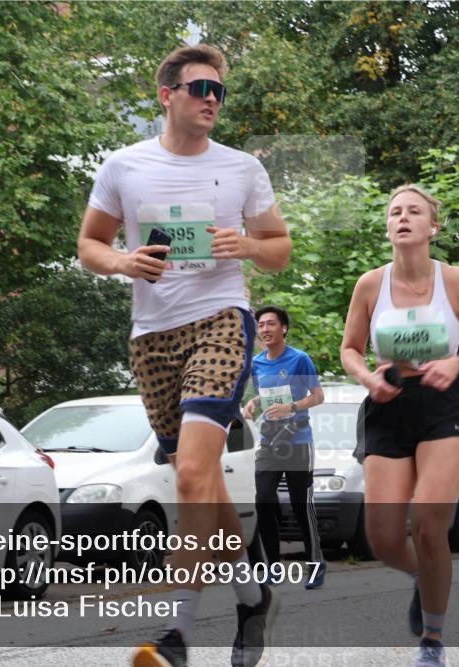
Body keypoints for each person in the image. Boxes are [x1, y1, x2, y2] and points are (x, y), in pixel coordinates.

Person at [77, 44, 291, 667]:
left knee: (194, 476)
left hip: (222, 321)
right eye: (201, 88)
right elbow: (90, 244)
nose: (212, 100)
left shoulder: (242, 168)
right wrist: (124, 261)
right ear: (167, 94)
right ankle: (252, 597)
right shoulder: (124, 166)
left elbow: (279, 248)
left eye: (219, 91)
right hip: (152, 338)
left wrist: (246, 246)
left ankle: (176, 633)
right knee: (202, 484)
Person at [340, 184, 459, 667]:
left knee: (429, 523)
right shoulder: (370, 285)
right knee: (383, 538)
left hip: (443, 402)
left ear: (432, 226)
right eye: (395, 211)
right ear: (388, 226)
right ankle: (423, 574)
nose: (403, 217)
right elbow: (350, 348)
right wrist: (367, 377)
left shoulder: (456, 280)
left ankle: (432, 642)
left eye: (414, 211)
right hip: (387, 402)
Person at [242, 305, 326, 588]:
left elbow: (318, 396)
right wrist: (252, 403)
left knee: (301, 505)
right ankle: (272, 567)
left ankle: (316, 563)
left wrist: (291, 407)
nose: (265, 329)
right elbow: (265, 397)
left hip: (298, 440)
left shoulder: (299, 359)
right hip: (269, 442)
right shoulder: (257, 363)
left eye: (271, 324)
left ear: (284, 328)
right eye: (261, 325)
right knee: (264, 500)